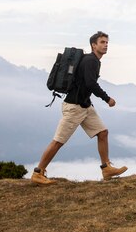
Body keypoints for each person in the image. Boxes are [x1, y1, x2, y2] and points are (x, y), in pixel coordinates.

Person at [31, 31, 128, 185]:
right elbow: (91, 84)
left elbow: (85, 84)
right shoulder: (91, 61)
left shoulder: (93, 60)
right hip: (74, 107)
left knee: (102, 133)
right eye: (102, 42)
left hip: (84, 105)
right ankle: (38, 172)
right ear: (93, 45)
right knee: (58, 141)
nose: (105, 45)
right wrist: (107, 98)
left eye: (106, 42)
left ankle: (106, 168)